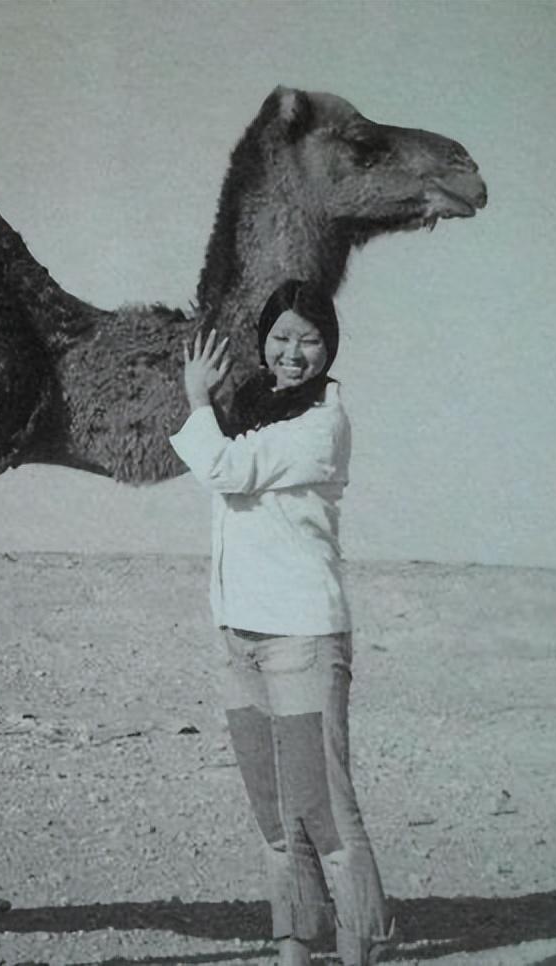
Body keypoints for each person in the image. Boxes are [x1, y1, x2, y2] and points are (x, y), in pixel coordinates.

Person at [168, 279, 393, 966]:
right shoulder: (253, 411)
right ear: (264, 342)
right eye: (282, 338)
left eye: (310, 339)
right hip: (241, 636)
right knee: (275, 818)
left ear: (330, 346)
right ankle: (296, 948)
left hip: (301, 637)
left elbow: (226, 471)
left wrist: (197, 399)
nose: (294, 353)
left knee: (325, 815)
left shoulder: (321, 424)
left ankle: (364, 950)